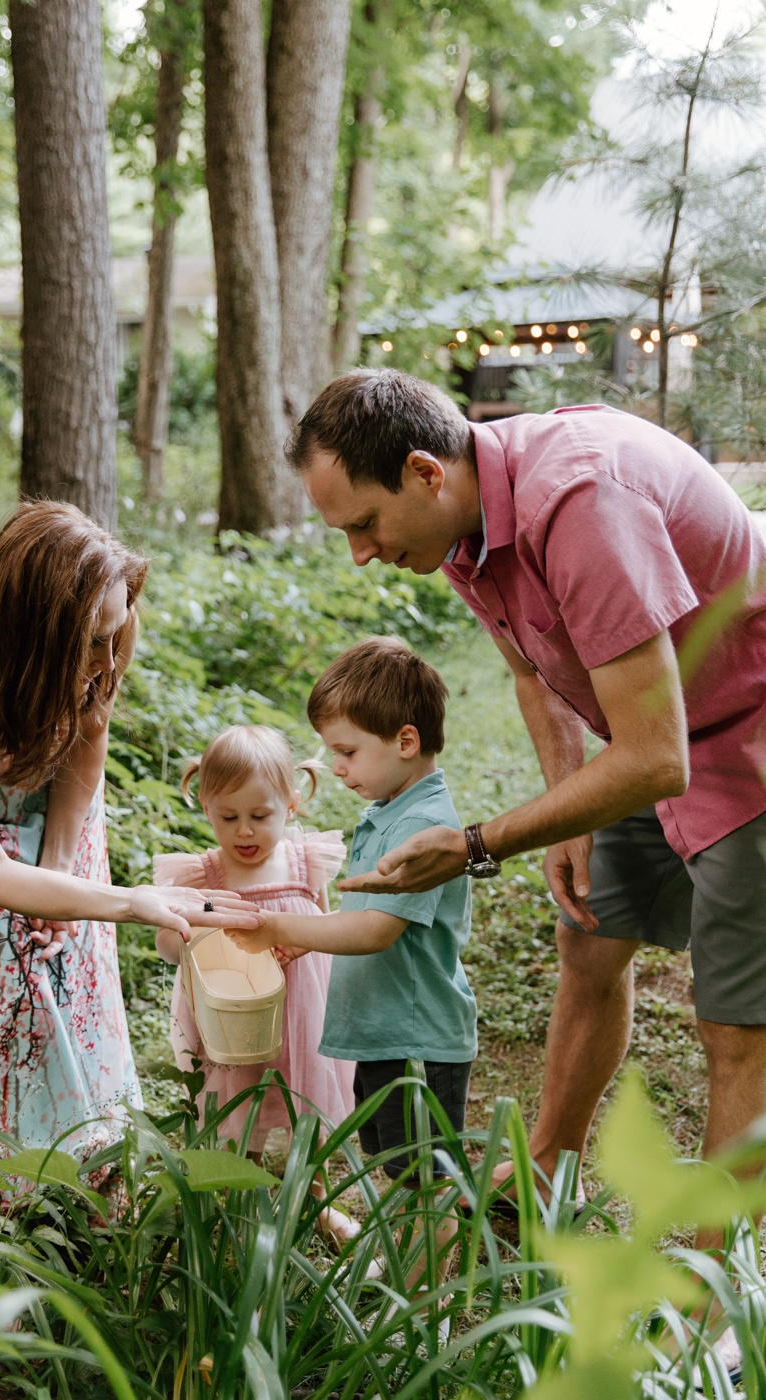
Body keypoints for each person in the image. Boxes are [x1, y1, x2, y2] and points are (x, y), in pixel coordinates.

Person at [283, 367, 766, 1221]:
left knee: (736, 1026)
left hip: (746, 729)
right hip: (648, 730)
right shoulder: (461, 530)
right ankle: (544, 1171)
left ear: (425, 472)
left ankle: (710, 1295)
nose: (359, 553)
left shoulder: (579, 501)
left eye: (363, 523)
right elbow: (529, 671)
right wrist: (563, 812)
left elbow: (657, 763)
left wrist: (476, 843)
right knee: (588, 945)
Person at [0, 501, 261, 1179]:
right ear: (31, 633)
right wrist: (130, 901)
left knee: (75, 978)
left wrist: (60, 871)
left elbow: (87, 735)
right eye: (93, 645)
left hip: (45, 765)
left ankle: (99, 1168)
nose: (109, 660)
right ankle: (2, 1199)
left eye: (115, 636)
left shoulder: (105, 611)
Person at [227, 638, 475, 1283]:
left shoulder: (424, 828)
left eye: (346, 750)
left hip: (415, 1034)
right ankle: (405, 1278)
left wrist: (286, 923)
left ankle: (419, 1308)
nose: (335, 767)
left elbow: (377, 930)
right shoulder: (389, 812)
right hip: (385, 1028)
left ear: (405, 740)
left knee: (425, 1180)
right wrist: (309, 938)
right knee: (401, 1168)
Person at [153, 724, 359, 1244]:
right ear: (205, 807)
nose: (244, 831)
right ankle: (245, 1208)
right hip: (232, 1015)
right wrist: (192, 926)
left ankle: (315, 1204)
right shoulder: (204, 876)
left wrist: (309, 940)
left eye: (260, 816)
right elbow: (167, 944)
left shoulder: (303, 861)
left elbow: (329, 926)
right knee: (238, 1105)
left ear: (291, 805)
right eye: (229, 817)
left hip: (301, 1006)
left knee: (304, 1109)